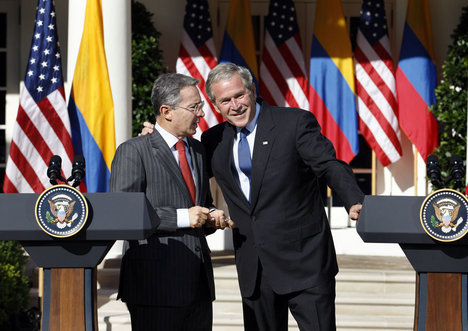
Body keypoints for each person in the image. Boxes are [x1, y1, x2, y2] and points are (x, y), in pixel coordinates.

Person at [142, 63, 363, 331]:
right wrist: (157, 138)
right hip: (254, 269)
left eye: (239, 95)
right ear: (215, 105)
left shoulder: (293, 123)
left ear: (252, 90)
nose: (235, 105)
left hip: (305, 264)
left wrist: (353, 199)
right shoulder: (213, 139)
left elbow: (329, 164)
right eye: (225, 100)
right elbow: (184, 167)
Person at [110, 73, 231, 331]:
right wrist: (182, 216)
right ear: (167, 111)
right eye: (194, 107)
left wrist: (211, 214)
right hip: (154, 287)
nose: (201, 114)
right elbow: (122, 214)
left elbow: (200, 203)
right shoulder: (133, 151)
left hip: (198, 286)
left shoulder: (197, 151)